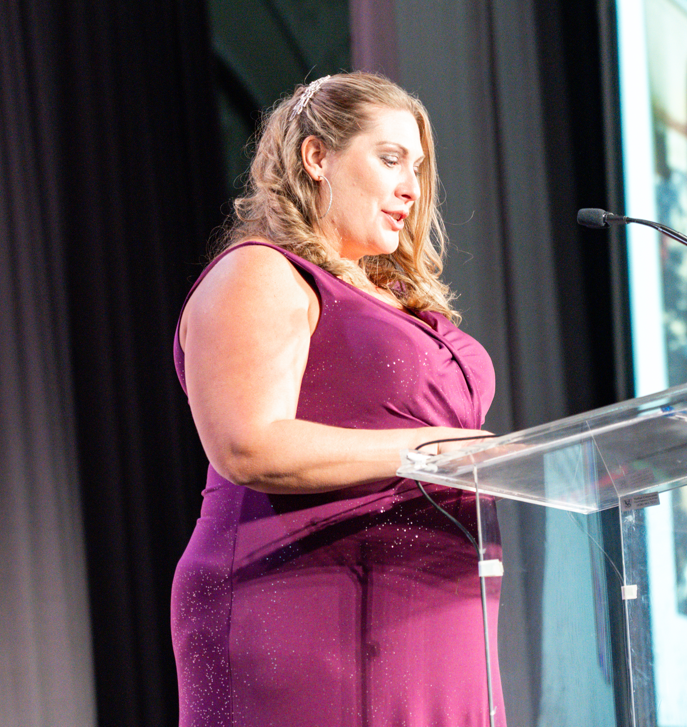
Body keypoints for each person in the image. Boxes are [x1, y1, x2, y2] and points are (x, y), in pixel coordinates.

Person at [171, 72, 501, 726]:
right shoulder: (264, 271)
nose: (412, 188)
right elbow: (247, 443)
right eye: (390, 159)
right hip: (309, 601)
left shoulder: (404, 304)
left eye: (417, 167)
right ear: (317, 156)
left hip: (432, 618)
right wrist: (430, 450)